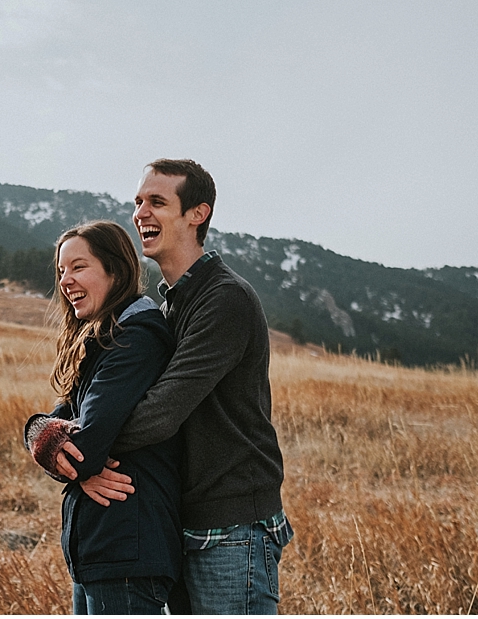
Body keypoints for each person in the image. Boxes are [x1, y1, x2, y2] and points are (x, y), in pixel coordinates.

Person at [46, 159, 293, 614]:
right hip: (183, 516)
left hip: (231, 523)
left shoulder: (224, 298)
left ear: (197, 214)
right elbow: (81, 398)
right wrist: (46, 434)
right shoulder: (167, 306)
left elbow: (161, 411)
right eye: (138, 201)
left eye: (157, 201)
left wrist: (85, 447)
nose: (140, 212)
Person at [23, 220, 182, 615]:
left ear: (115, 269)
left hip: (126, 548)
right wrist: (38, 432)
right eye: (61, 271)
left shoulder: (135, 338)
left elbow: (83, 447)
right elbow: (55, 422)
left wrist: (66, 451)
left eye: (79, 267)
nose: (66, 280)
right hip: (102, 548)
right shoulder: (103, 341)